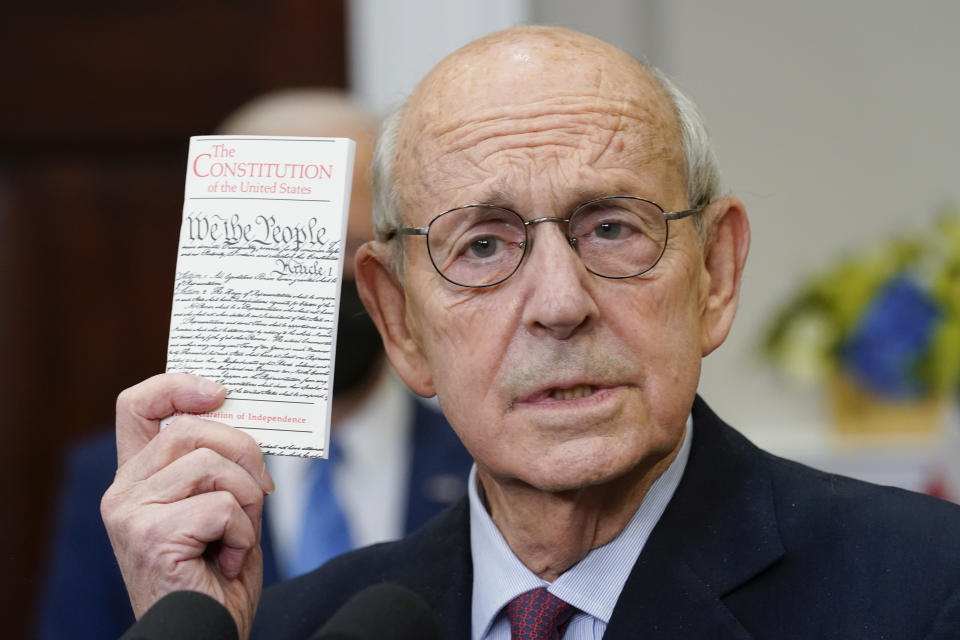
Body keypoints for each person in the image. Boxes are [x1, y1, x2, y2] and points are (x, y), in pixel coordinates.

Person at [101, 27, 960, 640]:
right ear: (400, 320)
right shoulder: (298, 625)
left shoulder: (926, 592)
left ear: (716, 274)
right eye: (482, 246)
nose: (559, 303)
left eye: (612, 229)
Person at [36, 89, 472, 640]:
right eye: (283, 249)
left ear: (392, 264)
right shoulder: (122, 480)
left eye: (346, 246)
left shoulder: (481, 453)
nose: (313, 280)